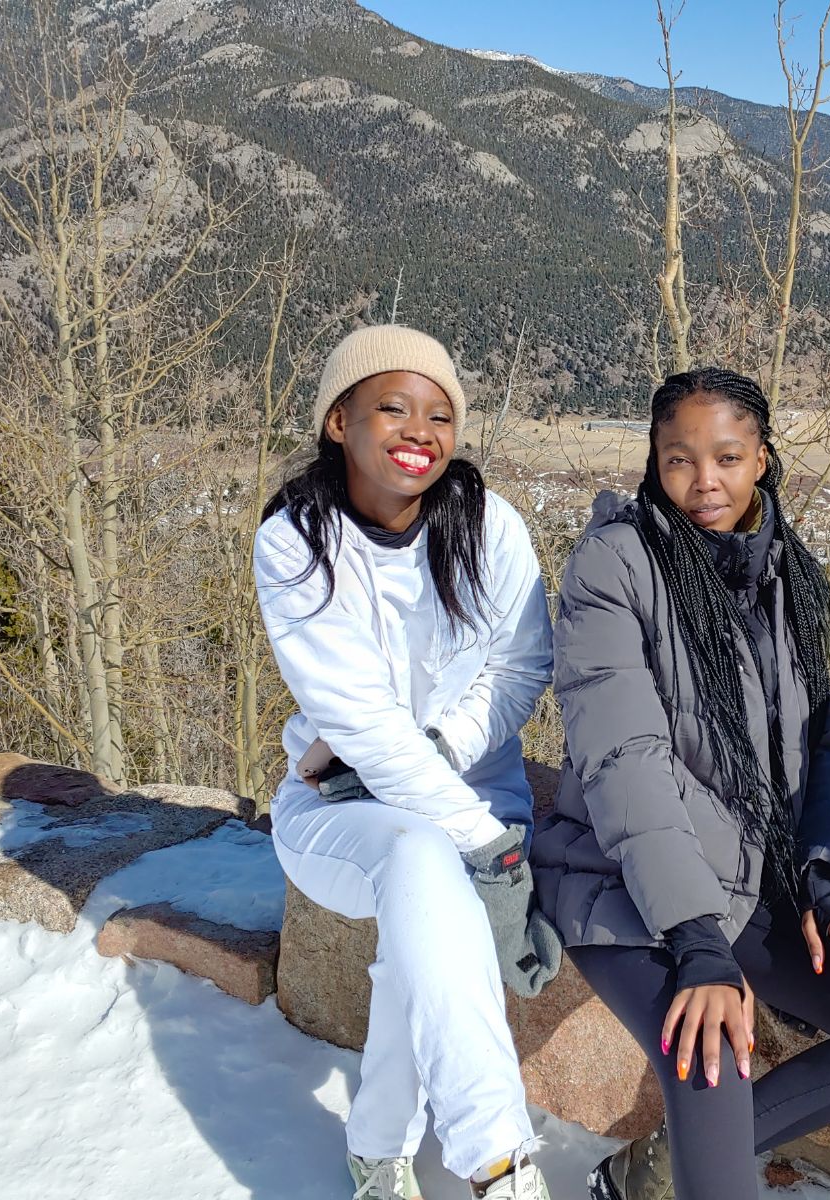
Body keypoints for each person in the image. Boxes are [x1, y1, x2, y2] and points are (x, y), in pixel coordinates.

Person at [531, 367, 830, 1200]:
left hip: (754, 875)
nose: (703, 482)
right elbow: (627, 760)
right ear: (654, 460)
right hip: (624, 880)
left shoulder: (788, 575)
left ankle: (658, 1166)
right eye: (679, 459)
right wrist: (697, 943)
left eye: (726, 456)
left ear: (762, 458)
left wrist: (827, 887)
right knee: (709, 1059)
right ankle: (702, 1163)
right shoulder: (615, 566)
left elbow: (821, 742)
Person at [253, 325, 558, 1200]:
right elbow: (360, 719)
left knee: (428, 909)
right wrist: (483, 845)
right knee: (427, 859)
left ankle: (378, 1146)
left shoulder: (490, 527)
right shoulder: (295, 542)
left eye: (440, 414)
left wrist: (438, 758)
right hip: (336, 814)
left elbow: (520, 666)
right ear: (339, 420)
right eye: (393, 407)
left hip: (462, 790)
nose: (420, 430)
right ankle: (502, 1164)